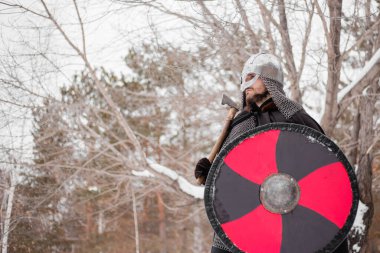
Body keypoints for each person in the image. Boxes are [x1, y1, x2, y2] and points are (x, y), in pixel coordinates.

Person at [194, 52, 349, 253]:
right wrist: (211, 173)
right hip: (245, 220)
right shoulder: (240, 124)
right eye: (243, 80)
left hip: (291, 218)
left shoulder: (296, 120)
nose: (244, 85)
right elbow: (232, 177)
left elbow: (325, 172)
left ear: (269, 80)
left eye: (251, 77)